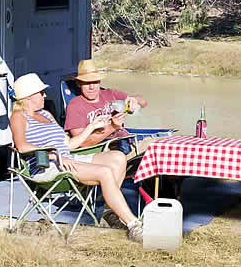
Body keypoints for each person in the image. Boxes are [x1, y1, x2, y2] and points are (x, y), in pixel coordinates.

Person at [10, 73, 143, 241]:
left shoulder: (46, 115)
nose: (45, 95)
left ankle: (111, 213)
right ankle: (133, 225)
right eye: (41, 92)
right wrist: (54, 156)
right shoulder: (19, 117)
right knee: (105, 172)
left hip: (67, 159)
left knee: (117, 157)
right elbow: (21, 146)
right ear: (29, 97)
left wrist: (92, 127)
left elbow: (68, 145)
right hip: (47, 167)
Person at [64, 60, 148, 155]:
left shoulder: (110, 94)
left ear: (99, 82)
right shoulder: (74, 106)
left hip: (126, 140)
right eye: (87, 83)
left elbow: (144, 102)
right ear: (79, 84)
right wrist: (112, 127)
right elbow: (83, 144)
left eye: (95, 82)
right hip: (104, 150)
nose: (92, 87)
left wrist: (134, 100)